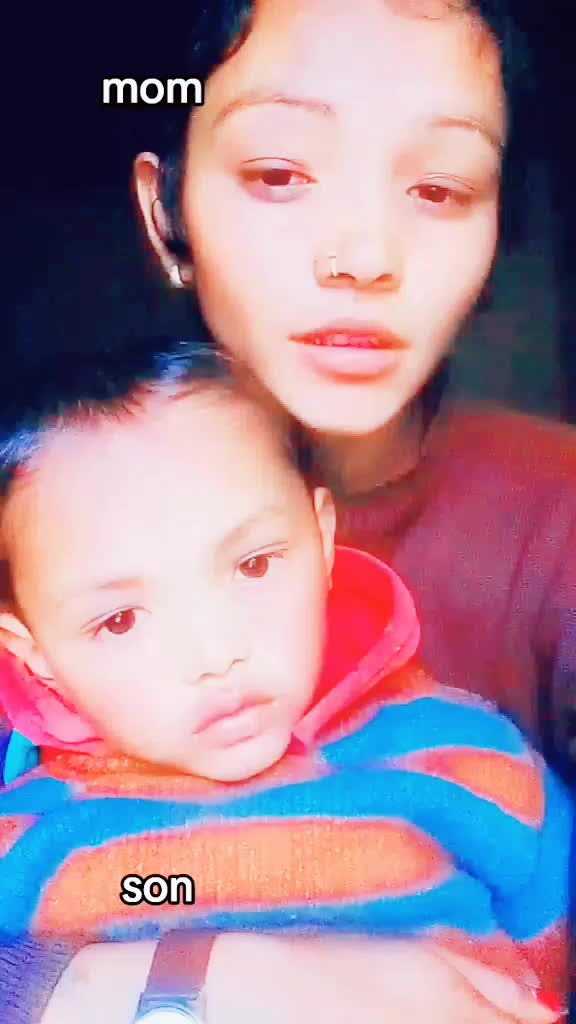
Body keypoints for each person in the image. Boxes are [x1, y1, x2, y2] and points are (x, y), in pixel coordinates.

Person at [0, 336, 569, 1021]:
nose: (216, 654)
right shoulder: (26, 846)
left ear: (322, 540)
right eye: (119, 621)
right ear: (33, 652)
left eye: (254, 565)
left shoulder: (471, 765)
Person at [133, 0, 576, 784]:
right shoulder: (42, 523)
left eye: (439, 189)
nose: (367, 258)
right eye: (279, 175)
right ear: (166, 210)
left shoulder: (558, 512)